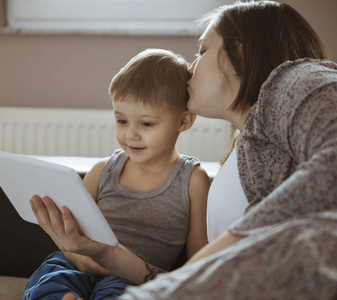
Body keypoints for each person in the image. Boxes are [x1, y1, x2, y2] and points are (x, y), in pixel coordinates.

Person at [32, 1, 337, 299]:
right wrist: (105, 253)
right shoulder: (249, 148)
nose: (190, 68)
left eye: (202, 50)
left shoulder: (300, 77)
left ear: (241, 52)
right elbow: (199, 279)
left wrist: (239, 240)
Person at [24, 48, 211, 300]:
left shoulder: (193, 181)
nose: (130, 135)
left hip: (131, 277)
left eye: (146, 124)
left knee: (119, 294)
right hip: (78, 263)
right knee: (52, 276)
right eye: (121, 121)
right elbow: (68, 236)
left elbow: (198, 259)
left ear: (183, 122)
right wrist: (77, 257)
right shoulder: (103, 171)